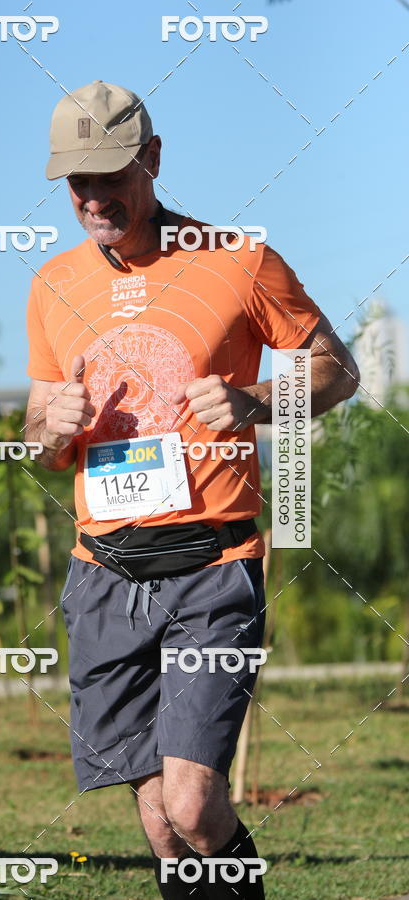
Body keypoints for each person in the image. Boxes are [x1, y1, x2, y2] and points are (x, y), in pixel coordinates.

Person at [24, 80, 359, 899]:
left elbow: (337, 369)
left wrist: (258, 400)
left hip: (213, 566)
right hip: (103, 571)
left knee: (196, 802)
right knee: (160, 825)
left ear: (154, 160)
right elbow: (39, 439)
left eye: (111, 175)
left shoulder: (236, 256)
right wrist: (50, 428)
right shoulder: (53, 284)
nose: (94, 196)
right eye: (79, 182)